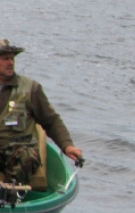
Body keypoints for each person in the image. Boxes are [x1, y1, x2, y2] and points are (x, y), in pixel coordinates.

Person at [0, 39, 84, 185]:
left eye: (12, 58)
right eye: (5, 59)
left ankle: (13, 192)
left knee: (28, 156)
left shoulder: (30, 88)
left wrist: (67, 145)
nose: (10, 63)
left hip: (14, 151)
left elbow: (51, 120)